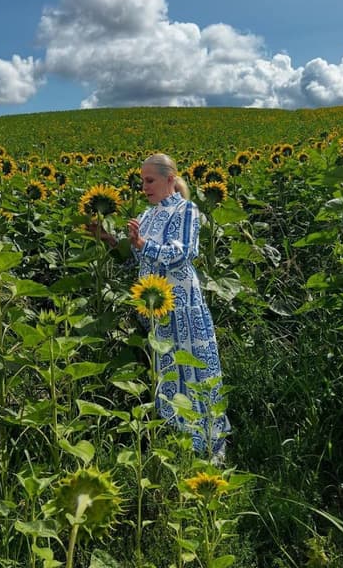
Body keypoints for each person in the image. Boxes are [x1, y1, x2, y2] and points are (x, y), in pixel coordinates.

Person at [88, 153, 230, 459]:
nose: (144, 187)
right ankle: (176, 441)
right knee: (166, 368)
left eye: (150, 180)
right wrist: (110, 240)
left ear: (170, 179)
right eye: (142, 181)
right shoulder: (147, 215)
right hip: (154, 307)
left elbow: (183, 253)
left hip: (181, 303)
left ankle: (206, 444)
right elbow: (138, 262)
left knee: (191, 366)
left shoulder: (186, 209)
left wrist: (143, 244)